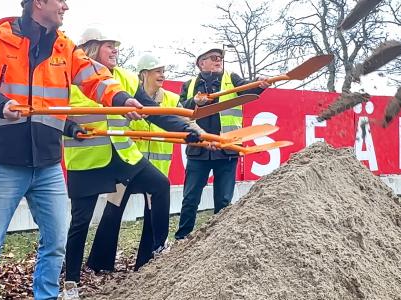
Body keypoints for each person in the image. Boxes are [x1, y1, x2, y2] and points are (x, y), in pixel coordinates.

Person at [0, 1, 147, 299]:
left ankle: (47, 296)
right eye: (60, 0)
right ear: (39, 2)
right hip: (2, 162)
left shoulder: (65, 48)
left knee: (56, 243)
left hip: (48, 165)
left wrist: (120, 98)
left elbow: (95, 78)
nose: (66, 6)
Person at [61, 31, 201, 299]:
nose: (114, 50)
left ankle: (158, 249)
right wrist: (71, 127)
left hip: (124, 157)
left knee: (160, 185)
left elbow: (152, 111)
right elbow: (55, 116)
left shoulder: (124, 77)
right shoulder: (69, 80)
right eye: (108, 46)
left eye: (115, 46)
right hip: (87, 162)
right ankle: (71, 283)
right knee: (80, 222)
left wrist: (185, 129)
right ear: (90, 49)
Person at [174, 46, 270, 240]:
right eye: (213, 58)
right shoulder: (189, 85)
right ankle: (182, 239)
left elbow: (249, 88)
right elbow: (179, 111)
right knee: (190, 199)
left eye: (220, 58)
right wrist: (194, 102)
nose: (218, 60)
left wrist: (261, 84)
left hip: (226, 150)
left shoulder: (232, 79)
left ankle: (218, 242)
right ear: (201, 63)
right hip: (198, 152)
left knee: (224, 201)